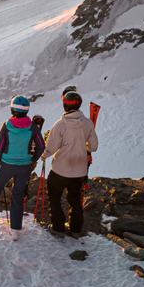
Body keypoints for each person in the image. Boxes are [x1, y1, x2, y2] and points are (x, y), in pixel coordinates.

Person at [0, 96, 45, 240]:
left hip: (6, 165)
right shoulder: (33, 127)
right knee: (18, 195)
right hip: (24, 166)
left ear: (12, 109)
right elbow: (41, 146)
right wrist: (32, 161)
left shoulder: (7, 125)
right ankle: (15, 230)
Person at [40, 89, 98, 239]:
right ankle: (75, 230)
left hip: (60, 170)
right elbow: (93, 147)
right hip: (80, 171)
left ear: (65, 105)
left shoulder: (60, 124)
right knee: (75, 199)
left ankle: (58, 229)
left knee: (54, 198)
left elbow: (51, 147)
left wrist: (43, 156)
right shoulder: (88, 123)